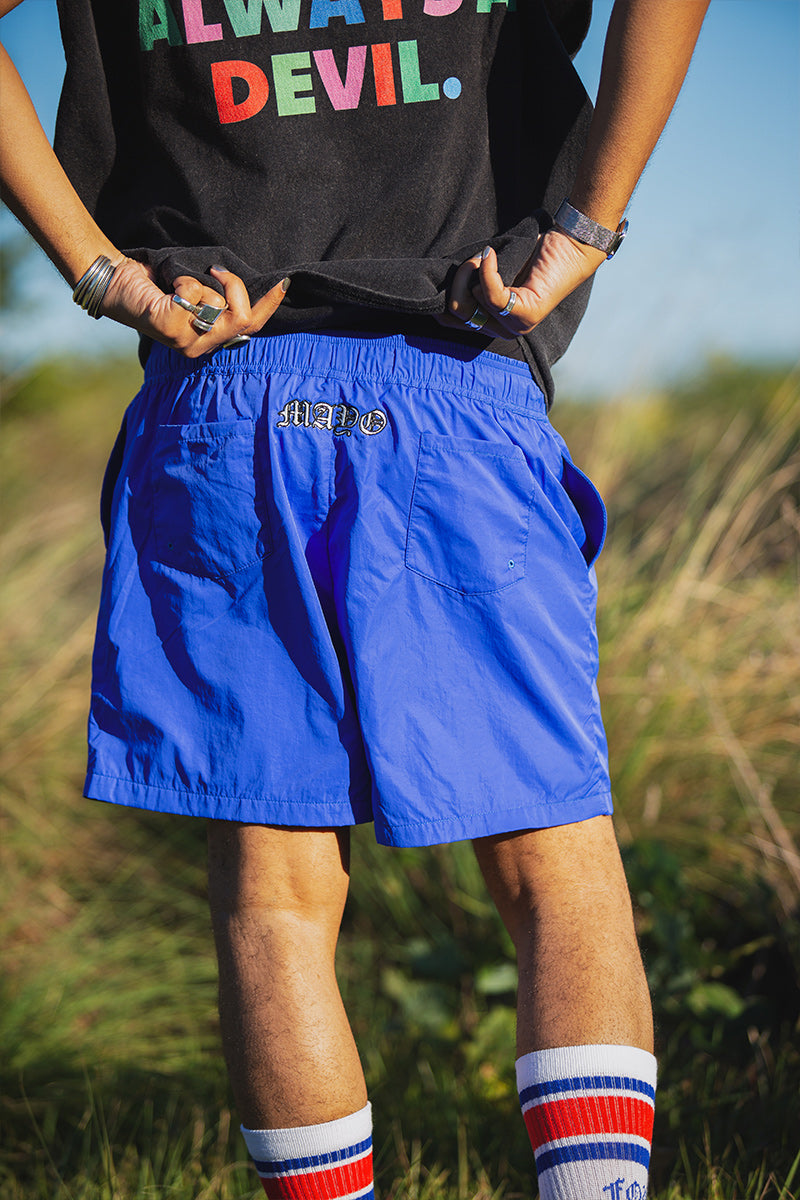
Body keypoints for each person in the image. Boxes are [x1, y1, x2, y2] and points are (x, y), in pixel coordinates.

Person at [1, 1, 710, 1196]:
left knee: (274, 898)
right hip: (456, 365)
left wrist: (104, 273)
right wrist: (583, 228)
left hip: (221, 392)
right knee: (555, 866)